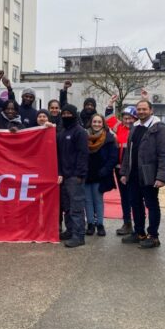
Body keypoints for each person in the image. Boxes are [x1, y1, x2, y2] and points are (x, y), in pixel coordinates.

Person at [120, 100, 165, 249]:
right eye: (139, 109)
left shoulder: (158, 128)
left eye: (144, 109)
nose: (141, 112)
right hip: (133, 174)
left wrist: (161, 177)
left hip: (149, 174)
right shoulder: (135, 127)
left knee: (152, 204)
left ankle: (154, 236)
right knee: (135, 204)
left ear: (151, 110)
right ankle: (139, 233)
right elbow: (127, 153)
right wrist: (124, 172)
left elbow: (164, 154)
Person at [105, 95, 138, 235]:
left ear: (135, 119)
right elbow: (108, 119)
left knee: (135, 197)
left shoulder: (139, 129)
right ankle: (127, 224)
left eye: (130, 118)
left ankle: (138, 225)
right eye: (125, 117)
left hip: (135, 170)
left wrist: (146, 99)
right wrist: (110, 104)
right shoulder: (120, 128)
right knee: (124, 197)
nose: (127, 120)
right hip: (120, 170)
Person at [57, 104, 88, 248]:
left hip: (75, 177)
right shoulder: (62, 131)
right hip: (63, 176)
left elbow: (83, 154)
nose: (66, 116)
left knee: (76, 208)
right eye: (64, 113)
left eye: (69, 113)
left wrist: (80, 174)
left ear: (75, 114)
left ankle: (79, 235)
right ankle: (69, 231)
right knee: (67, 207)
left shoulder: (80, 132)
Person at [84, 114, 118, 237]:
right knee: (87, 200)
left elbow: (113, 157)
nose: (97, 124)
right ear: (91, 122)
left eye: (99, 122)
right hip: (87, 173)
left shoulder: (109, 138)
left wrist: (105, 170)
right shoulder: (84, 136)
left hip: (101, 173)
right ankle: (90, 224)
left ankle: (100, 224)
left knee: (98, 200)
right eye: (94, 121)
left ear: (103, 123)